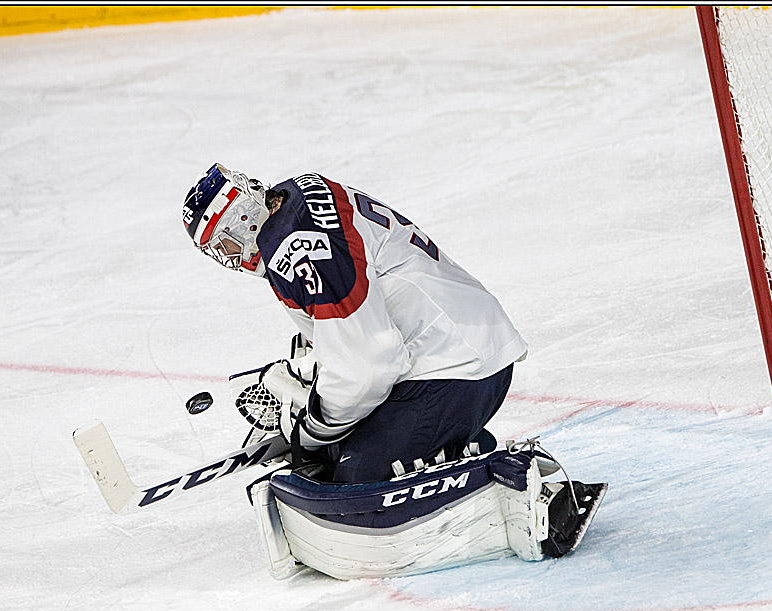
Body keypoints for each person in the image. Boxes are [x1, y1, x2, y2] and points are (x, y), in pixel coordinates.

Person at [182, 163, 527, 483]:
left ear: (244, 219)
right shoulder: (300, 194)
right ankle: (453, 446)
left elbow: (368, 368)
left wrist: (313, 427)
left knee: (350, 480)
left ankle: (464, 461)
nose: (229, 260)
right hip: (469, 344)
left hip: (454, 368)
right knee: (340, 447)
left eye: (223, 244)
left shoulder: (295, 245)